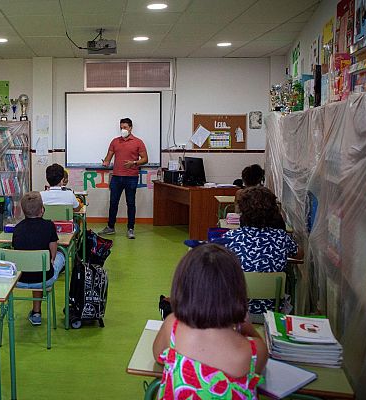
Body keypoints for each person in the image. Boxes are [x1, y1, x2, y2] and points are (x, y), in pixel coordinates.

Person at [153, 244, 268, 399]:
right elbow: (261, 367)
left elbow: (158, 355)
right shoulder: (255, 351)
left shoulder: (173, 326)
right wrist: (247, 327)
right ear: (236, 291)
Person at [224, 186, 301, 315]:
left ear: (242, 210)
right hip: (273, 310)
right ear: (273, 211)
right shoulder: (281, 237)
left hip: (237, 310)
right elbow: (300, 254)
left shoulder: (231, 238)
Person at [12, 191, 65, 326]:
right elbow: (52, 254)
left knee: (34, 262)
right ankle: (37, 313)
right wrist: (51, 260)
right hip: (44, 279)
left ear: (23, 211)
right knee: (60, 255)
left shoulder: (17, 229)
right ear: (42, 210)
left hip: (19, 279)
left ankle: (36, 313)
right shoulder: (49, 226)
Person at [99, 118, 148, 239]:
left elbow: (145, 159)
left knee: (130, 203)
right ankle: (110, 227)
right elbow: (109, 155)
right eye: (121, 127)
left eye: (125, 127)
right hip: (116, 177)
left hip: (131, 177)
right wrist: (105, 162)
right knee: (113, 203)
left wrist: (134, 163)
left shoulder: (138, 142)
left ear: (131, 128)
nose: (123, 129)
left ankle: (130, 229)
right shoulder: (115, 141)